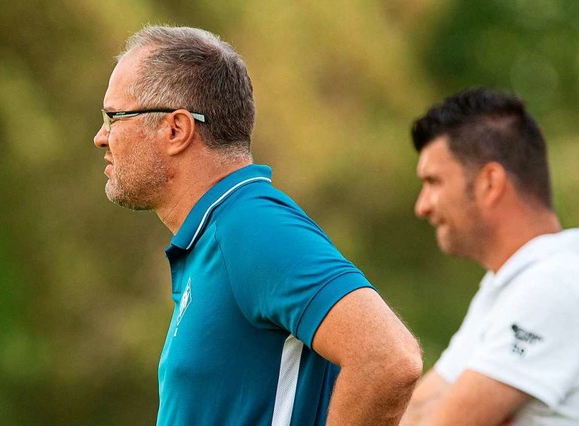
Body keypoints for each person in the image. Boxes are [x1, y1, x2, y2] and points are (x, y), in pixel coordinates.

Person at [93, 25, 421, 425]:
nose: (101, 137)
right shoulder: (218, 231)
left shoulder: (251, 224)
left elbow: (387, 358)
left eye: (114, 117)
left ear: (176, 130)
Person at [402, 87, 579, 425]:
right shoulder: (506, 286)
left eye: (433, 181)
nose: (422, 206)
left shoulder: (555, 283)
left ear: (490, 182)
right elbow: (417, 409)